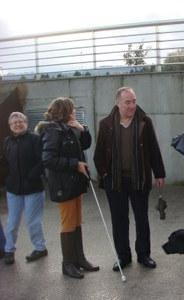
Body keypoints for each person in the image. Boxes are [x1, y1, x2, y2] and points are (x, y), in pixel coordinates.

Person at [94, 87, 165, 271]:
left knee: (142, 219)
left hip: (139, 179)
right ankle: (123, 257)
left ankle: (144, 255)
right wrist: (104, 175)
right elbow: (99, 154)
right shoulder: (106, 124)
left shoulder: (144, 122)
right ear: (118, 103)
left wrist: (159, 173)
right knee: (119, 221)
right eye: (127, 102)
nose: (132, 105)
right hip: (115, 181)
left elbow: (153, 148)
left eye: (134, 101)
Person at [39, 97, 99, 279]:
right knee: (68, 222)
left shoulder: (69, 128)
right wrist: (75, 164)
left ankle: (79, 259)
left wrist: (83, 129)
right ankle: (68, 264)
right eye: (71, 109)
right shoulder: (52, 130)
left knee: (77, 221)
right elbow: (48, 160)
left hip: (75, 183)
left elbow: (85, 144)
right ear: (65, 111)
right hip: (63, 185)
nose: (74, 112)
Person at [1, 112, 47, 265]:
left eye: (20, 121)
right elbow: (5, 163)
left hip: (33, 189)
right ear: (10, 126)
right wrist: (7, 179)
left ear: (26, 123)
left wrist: (31, 176)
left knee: (33, 221)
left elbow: (43, 160)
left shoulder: (35, 139)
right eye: (14, 122)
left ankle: (40, 248)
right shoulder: (7, 141)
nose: (18, 124)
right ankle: (9, 250)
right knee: (12, 222)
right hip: (13, 190)